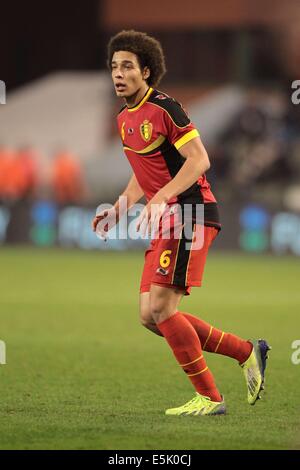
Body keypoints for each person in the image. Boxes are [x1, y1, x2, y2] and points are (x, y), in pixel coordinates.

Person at [92, 30, 271, 416]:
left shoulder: (167, 108)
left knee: (162, 308)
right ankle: (245, 351)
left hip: (190, 212)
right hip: (168, 215)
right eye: (114, 67)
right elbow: (145, 172)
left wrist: (162, 197)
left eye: (127, 66)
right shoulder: (125, 118)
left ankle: (211, 398)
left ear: (147, 71)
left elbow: (199, 160)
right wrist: (119, 207)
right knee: (150, 316)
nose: (118, 74)